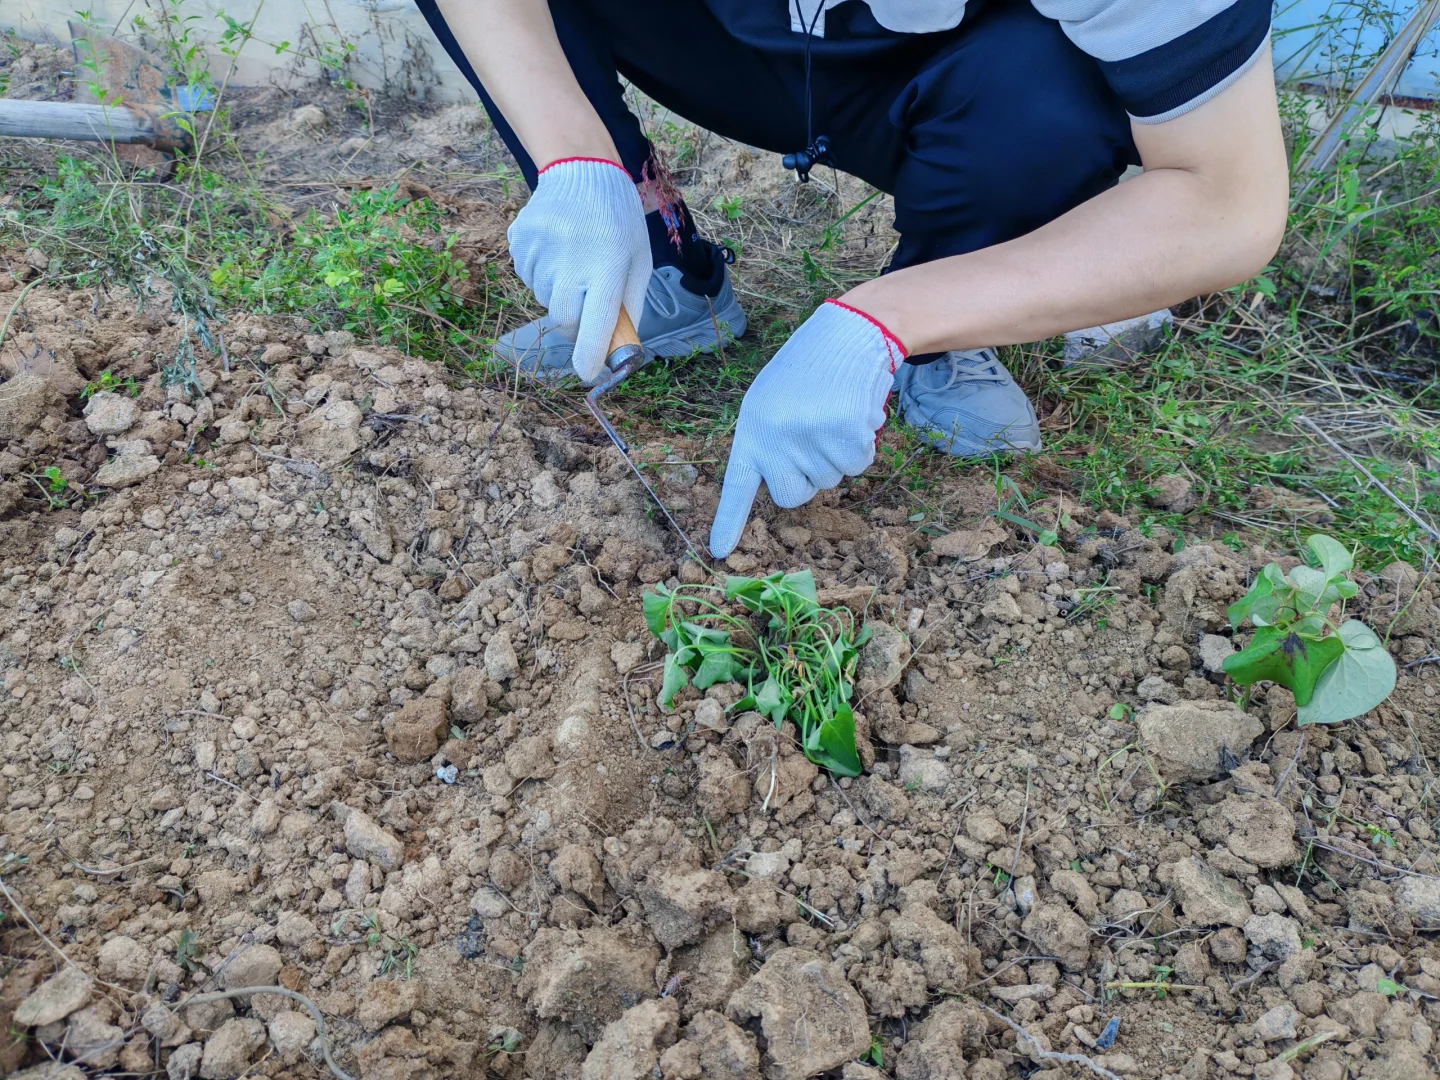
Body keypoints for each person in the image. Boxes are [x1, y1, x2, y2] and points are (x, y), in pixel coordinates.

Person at [413, 0, 1288, 558]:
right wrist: (574, 156)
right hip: (716, 37)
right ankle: (661, 271)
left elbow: (1227, 201)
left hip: (960, 68)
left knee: (1057, 95)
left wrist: (889, 319)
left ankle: (949, 322)